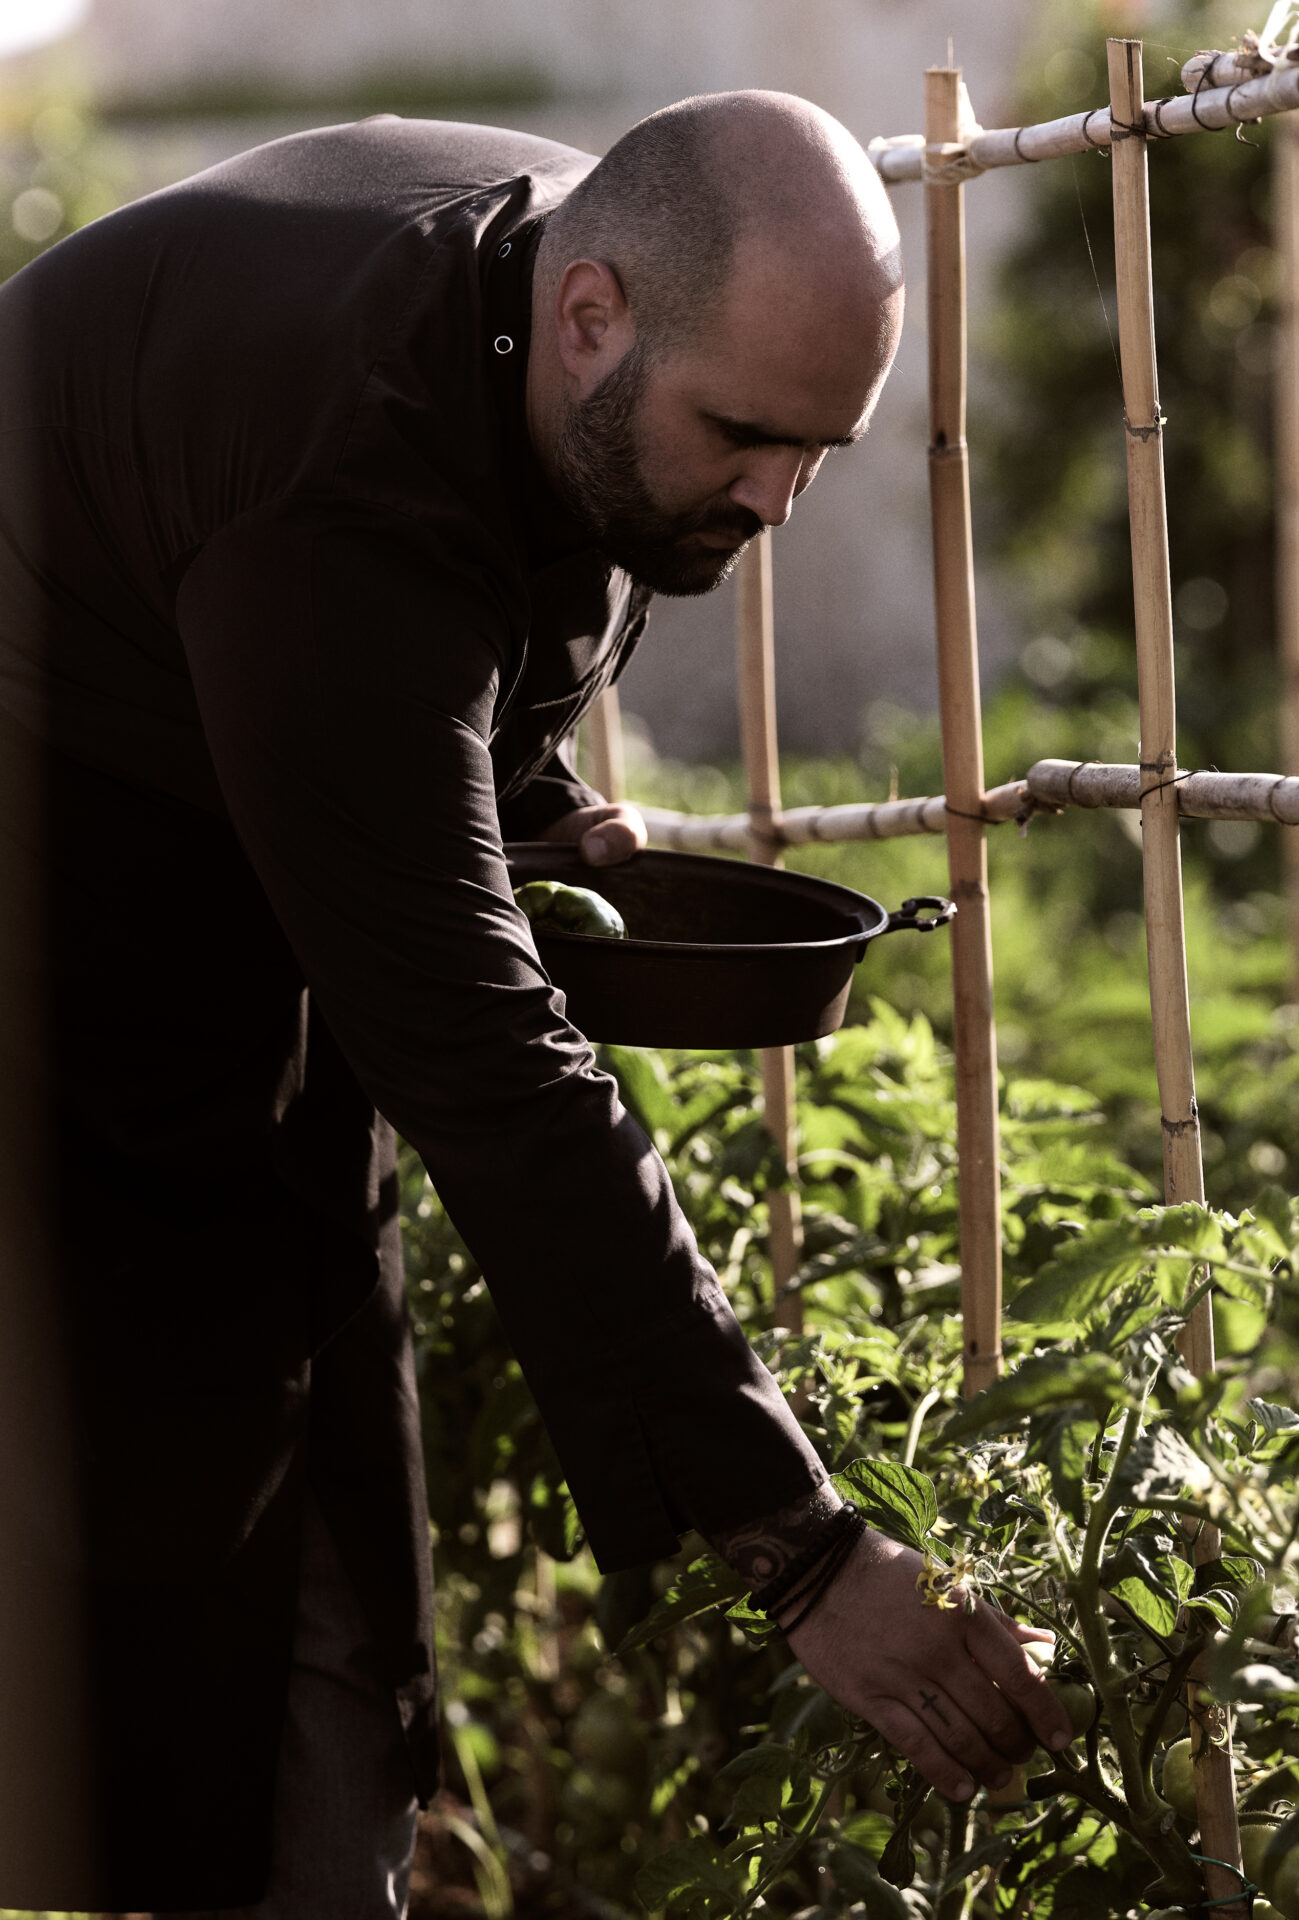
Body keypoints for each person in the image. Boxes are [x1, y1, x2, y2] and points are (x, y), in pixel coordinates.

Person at [0, 90, 1070, 1915]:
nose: (774, 500)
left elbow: (503, 609)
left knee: (322, 1501)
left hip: (218, 819)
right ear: (590, 314)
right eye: (743, 437)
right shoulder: (342, 494)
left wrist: (520, 791)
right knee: (152, 1544)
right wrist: (804, 1552)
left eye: (817, 452)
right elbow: (494, 1065)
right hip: (52, 892)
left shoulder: (568, 287)